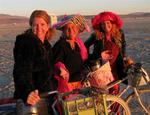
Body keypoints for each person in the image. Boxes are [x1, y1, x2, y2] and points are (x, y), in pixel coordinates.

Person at [13, 10, 57, 108]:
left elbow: (46, 68)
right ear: (31, 26)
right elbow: (21, 71)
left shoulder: (46, 45)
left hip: (46, 96)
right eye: (35, 25)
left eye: (42, 24)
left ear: (48, 26)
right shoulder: (26, 43)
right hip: (33, 99)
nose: (39, 28)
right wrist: (28, 92)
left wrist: (58, 70)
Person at [85, 11, 127, 95]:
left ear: (112, 23)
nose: (106, 26)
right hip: (102, 67)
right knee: (103, 91)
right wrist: (95, 56)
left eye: (108, 23)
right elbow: (85, 46)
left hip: (116, 66)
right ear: (100, 25)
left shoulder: (119, 33)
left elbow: (123, 45)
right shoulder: (96, 35)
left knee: (115, 90)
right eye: (103, 24)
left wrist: (124, 57)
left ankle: (115, 107)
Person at [52, 14, 90, 93]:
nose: (71, 30)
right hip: (66, 87)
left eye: (73, 27)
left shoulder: (76, 44)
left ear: (77, 29)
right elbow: (55, 63)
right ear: (63, 31)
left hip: (79, 85)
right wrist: (60, 68)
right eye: (67, 28)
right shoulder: (60, 45)